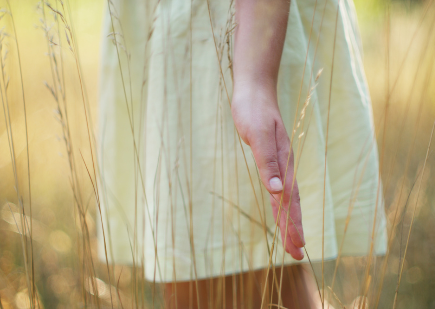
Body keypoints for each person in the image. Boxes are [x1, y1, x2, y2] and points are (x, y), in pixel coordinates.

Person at [97, 0, 388, 307]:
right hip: (188, 27)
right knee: (211, 276)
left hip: (240, 29)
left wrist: (254, 80)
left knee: (241, 278)